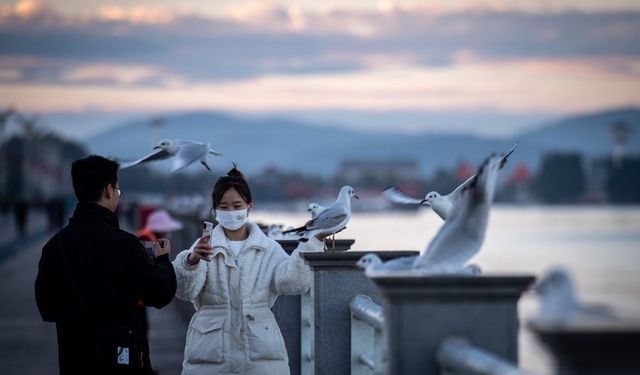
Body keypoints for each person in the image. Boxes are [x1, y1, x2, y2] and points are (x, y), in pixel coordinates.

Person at [173, 165, 327, 375]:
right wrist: (191, 262)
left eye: (237, 205)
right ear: (215, 210)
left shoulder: (269, 248)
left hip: (260, 354)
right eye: (224, 207)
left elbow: (292, 283)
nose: (230, 211)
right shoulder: (204, 245)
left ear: (249, 207)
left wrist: (312, 244)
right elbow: (185, 291)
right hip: (211, 353)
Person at [35, 155, 177, 375]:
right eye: (117, 189)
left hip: (74, 360)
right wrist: (163, 260)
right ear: (109, 190)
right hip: (122, 360)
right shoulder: (126, 245)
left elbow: (47, 308)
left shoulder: (55, 247)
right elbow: (160, 294)